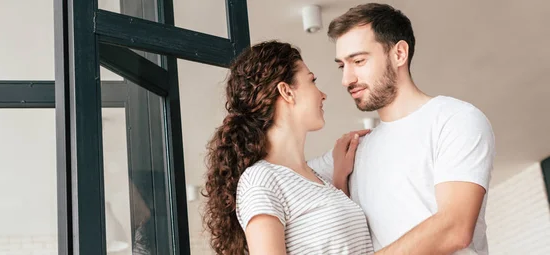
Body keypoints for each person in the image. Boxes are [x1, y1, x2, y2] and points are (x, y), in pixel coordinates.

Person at [310, 3, 495, 255]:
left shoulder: (454, 119)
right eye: (343, 65)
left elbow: (455, 228)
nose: (347, 79)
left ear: (399, 54)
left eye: (359, 60)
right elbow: (276, 174)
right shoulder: (354, 151)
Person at [202, 40, 374, 255]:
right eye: (312, 81)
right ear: (286, 91)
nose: (323, 94)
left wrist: (340, 179)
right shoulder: (261, 180)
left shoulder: (315, 178)